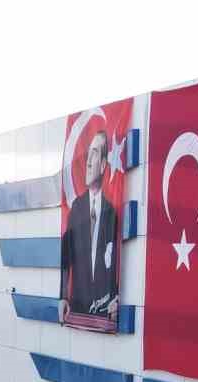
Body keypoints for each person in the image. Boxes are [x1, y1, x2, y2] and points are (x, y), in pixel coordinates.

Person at [61, 129, 120, 320]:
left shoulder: (110, 211)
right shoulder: (76, 209)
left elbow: (114, 261)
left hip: (104, 310)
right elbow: (66, 257)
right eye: (87, 155)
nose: (87, 162)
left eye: (94, 155)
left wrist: (115, 297)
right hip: (78, 309)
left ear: (103, 165)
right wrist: (62, 297)